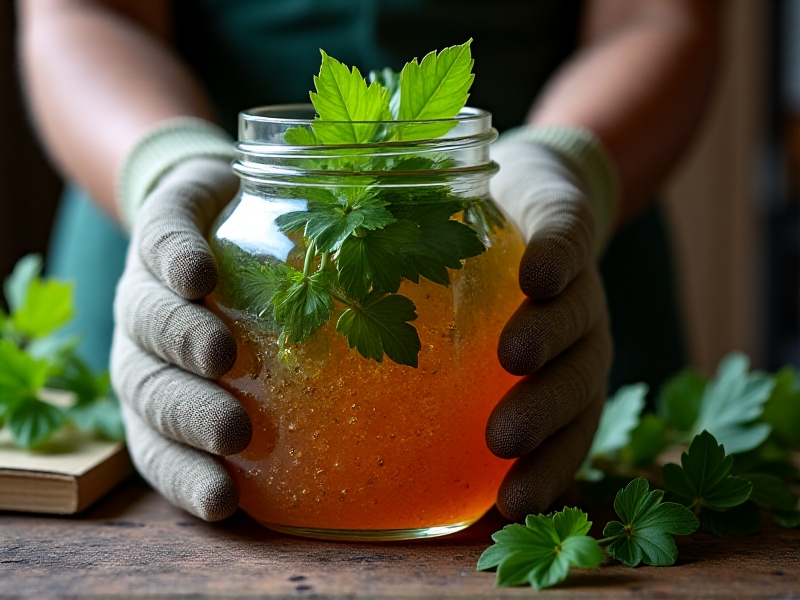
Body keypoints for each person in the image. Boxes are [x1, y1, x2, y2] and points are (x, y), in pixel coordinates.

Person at [17, 0, 722, 522]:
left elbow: (657, 16)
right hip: (206, 202)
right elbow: (79, 11)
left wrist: (567, 164)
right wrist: (165, 165)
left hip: (510, 212)